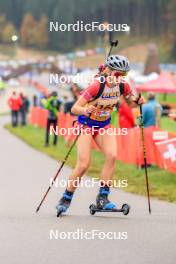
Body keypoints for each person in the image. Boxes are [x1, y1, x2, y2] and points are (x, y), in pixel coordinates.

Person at [56, 55, 144, 214]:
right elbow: (74, 108)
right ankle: (66, 197)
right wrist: (85, 109)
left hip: (104, 125)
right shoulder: (96, 86)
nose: (121, 78)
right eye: (118, 74)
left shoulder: (123, 85)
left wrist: (137, 100)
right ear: (109, 72)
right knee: (83, 165)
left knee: (112, 156)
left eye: (124, 75)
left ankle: (103, 197)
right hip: (86, 125)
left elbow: (131, 102)